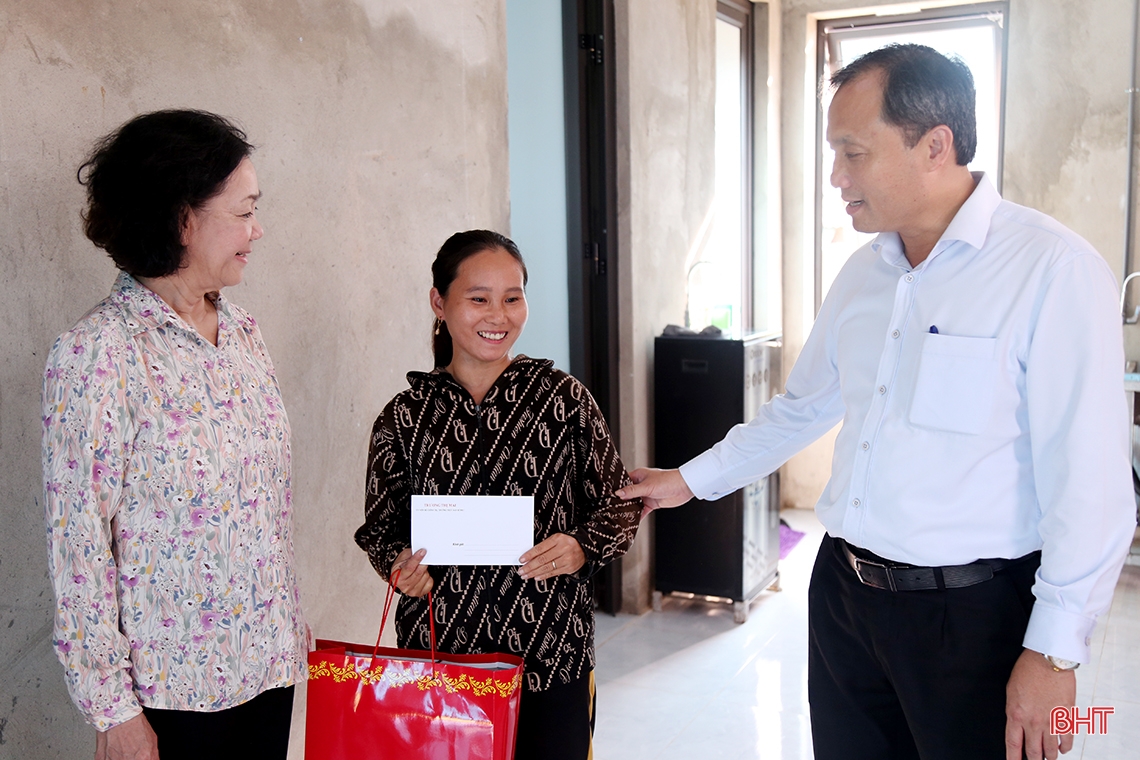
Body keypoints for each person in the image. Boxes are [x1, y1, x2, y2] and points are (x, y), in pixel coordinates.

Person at [618, 44, 1135, 760]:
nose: (836, 177)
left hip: (972, 618)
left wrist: (1052, 656)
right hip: (843, 597)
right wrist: (685, 481)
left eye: (853, 153)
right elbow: (801, 409)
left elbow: (1093, 484)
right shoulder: (865, 274)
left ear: (935, 145)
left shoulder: (1053, 270)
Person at [42, 110, 307, 760]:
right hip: (172, 696)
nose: (257, 229)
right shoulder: (100, 353)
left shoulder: (244, 334)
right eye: (243, 211)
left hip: (269, 667)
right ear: (183, 219)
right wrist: (113, 712)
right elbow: (78, 547)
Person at [354, 229, 641, 760]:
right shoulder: (404, 418)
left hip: (552, 656)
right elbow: (380, 529)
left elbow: (621, 501)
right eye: (478, 298)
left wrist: (581, 545)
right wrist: (398, 567)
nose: (498, 315)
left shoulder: (562, 398)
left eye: (513, 298)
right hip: (442, 661)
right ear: (439, 303)